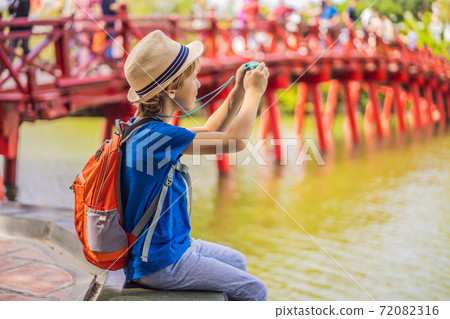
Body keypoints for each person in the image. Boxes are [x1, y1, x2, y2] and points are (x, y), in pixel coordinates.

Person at [121, 30, 269, 301]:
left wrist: (236, 92)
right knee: (255, 289)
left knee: (236, 261)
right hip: (159, 262)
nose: (199, 84)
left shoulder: (143, 130)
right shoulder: (159, 137)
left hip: (168, 247)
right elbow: (235, 141)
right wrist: (254, 93)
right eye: (193, 77)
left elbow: (212, 129)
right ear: (172, 88)